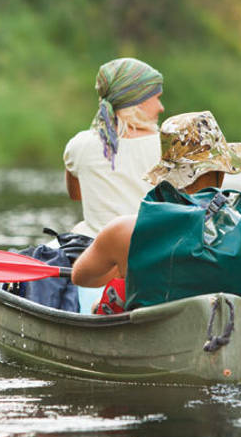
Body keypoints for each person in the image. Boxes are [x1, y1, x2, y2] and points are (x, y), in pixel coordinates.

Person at [71, 111, 241, 313]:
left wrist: (128, 264)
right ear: (222, 173)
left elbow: (81, 278)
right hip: (235, 336)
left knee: (98, 306)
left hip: (154, 340)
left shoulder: (125, 230)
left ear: (166, 175)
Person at [63, 57, 165, 311]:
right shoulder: (168, 145)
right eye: (156, 97)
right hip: (152, 256)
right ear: (139, 100)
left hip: (96, 259)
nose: (161, 107)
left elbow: (76, 195)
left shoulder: (79, 144)